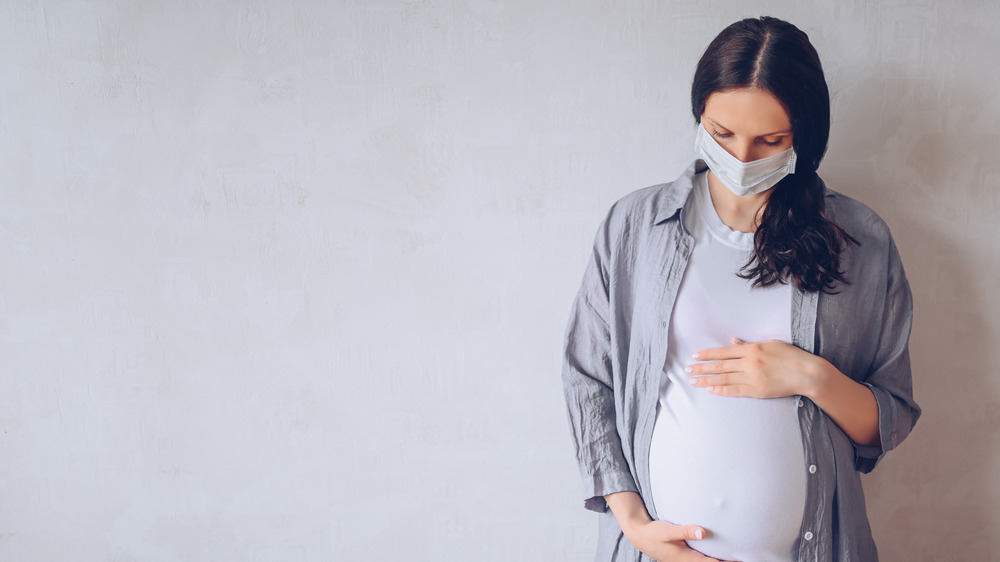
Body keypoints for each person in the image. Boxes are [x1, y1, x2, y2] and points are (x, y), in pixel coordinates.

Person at [561, 16, 920, 562]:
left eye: (770, 140)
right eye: (722, 133)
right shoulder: (633, 226)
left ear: (805, 136)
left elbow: (888, 417)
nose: (740, 159)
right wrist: (634, 524)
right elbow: (588, 380)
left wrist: (810, 376)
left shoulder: (861, 240)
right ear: (699, 116)